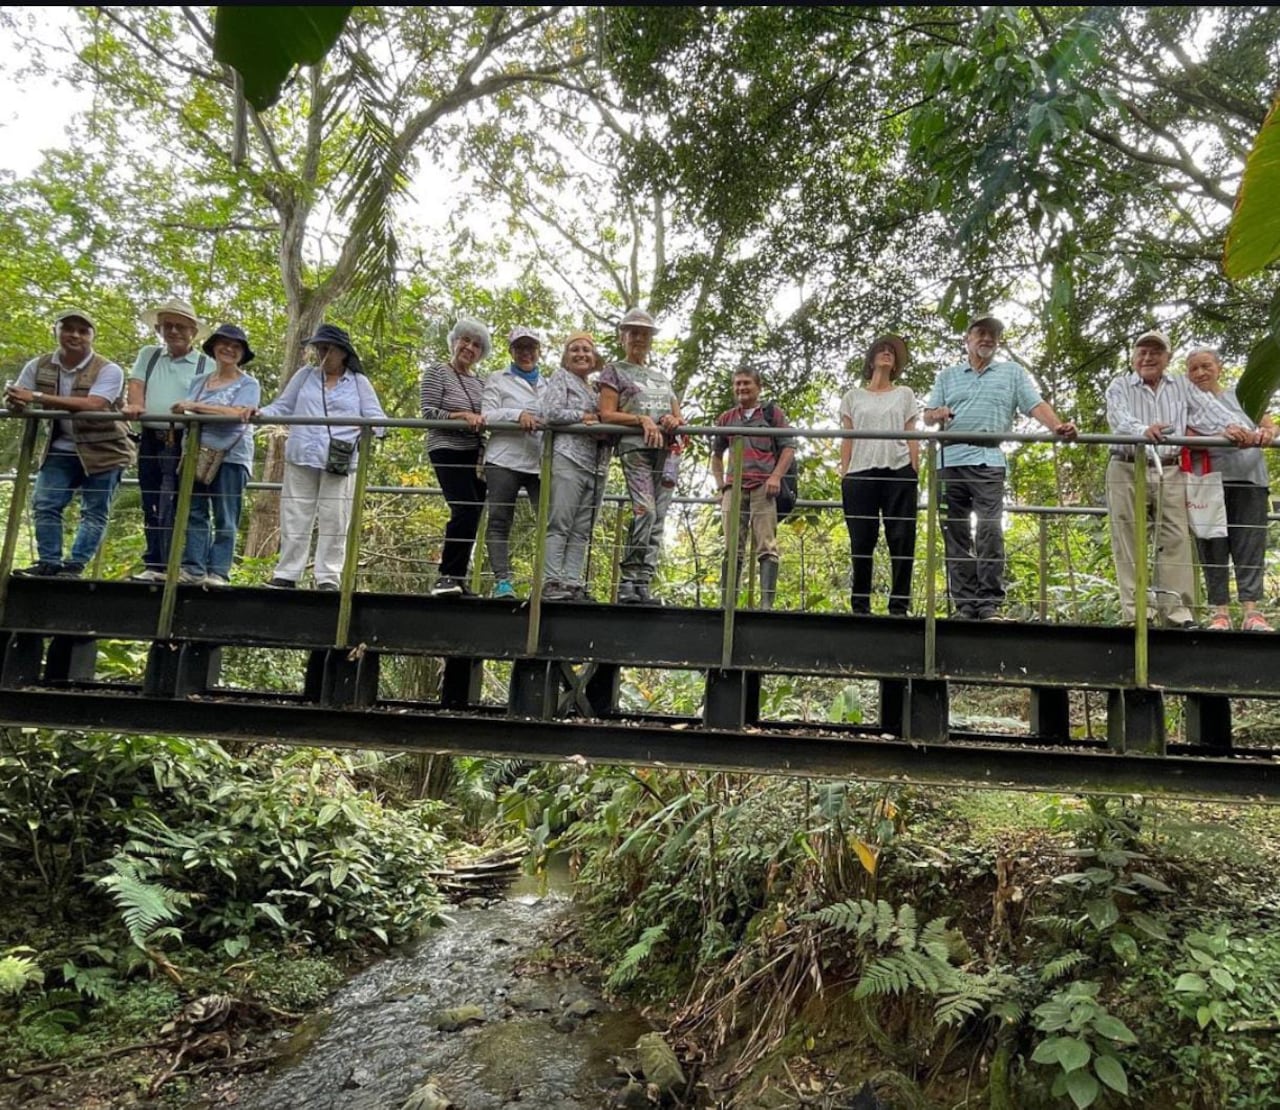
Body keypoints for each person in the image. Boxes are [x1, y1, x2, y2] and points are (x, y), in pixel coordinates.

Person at [922, 314, 1077, 620]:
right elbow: (926, 417)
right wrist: (937, 412)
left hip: (988, 461)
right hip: (948, 462)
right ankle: (964, 605)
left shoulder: (1011, 373)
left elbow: (1035, 404)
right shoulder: (948, 376)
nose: (987, 339)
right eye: (980, 333)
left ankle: (989, 603)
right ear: (967, 340)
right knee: (955, 533)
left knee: (990, 530)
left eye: (993, 334)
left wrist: (1058, 426)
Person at [1104, 330, 1251, 628]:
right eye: (1142, 352)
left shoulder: (1181, 386)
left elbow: (1208, 410)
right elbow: (1118, 418)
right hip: (1127, 465)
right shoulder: (1120, 385)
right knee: (1128, 538)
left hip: (1169, 467)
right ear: (1133, 357)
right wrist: (1143, 429)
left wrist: (1234, 427)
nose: (1148, 357)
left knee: (1175, 538)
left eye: (1155, 352)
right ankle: (1137, 614)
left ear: (1167, 358)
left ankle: (1177, 613)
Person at [247, 324, 385, 591]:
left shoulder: (358, 382)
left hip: (338, 459)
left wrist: (363, 426)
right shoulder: (304, 376)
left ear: (343, 353)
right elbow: (282, 406)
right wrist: (259, 413)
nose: (322, 353)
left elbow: (378, 420)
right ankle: (287, 574)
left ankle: (328, 578)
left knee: (335, 517)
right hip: (302, 454)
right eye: (319, 348)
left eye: (327, 348)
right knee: (295, 514)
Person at [4, 308, 134, 578]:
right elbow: (21, 397)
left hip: (106, 450)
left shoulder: (108, 369)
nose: (75, 335)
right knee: (45, 503)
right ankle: (49, 562)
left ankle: (74, 567)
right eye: (68, 328)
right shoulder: (39, 365)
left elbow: (95, 404)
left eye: (83, 331)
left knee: (95, 510)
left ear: (92, 337)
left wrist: (35, 396)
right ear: (57, 331)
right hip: (60, 448)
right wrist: (14, 401)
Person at [598, 308, 684, 604]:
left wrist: (673, 422)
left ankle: (643, 583)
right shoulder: (614, 371)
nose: (639, 338)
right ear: (623, 336)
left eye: (644, 333)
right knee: (644, 510)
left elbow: (677, 416)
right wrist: (641, 420)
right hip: (635, 447)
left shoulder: (660, 377)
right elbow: (606, 413)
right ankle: (628, 579)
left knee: (659, 517)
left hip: (667, 451)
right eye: (633, 332)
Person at [122, 297, 208, 582]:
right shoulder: (150, 355)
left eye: (180, 327)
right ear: (159, 329)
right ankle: (155, 563)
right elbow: (136, 385)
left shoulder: (205, 364)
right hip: (150, 436)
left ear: (193, 331)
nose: (173, 332)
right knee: (151, 499)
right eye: (167, 326)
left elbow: (208, 399)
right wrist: (134, 406)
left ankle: (184, 565)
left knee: (183, 501)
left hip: (185, 439)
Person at [169, 324, 260, 586]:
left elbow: (239, 413)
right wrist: (182, 411)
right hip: (196, 454)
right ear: (214, 347)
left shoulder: (248, 383)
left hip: (231, 456)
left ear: (242, 353)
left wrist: (196, 407)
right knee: (194, 511)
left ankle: (218, 572)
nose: (229, 349)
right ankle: (193, 569)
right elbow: (191, 412)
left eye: (236, 346)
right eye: (224, 343)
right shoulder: (199, 382)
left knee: (226, 514)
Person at [839, 335, 919, 616]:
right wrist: (845, 471)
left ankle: (899, 606)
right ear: (871, 359)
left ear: (896, 363)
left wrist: (914, 467)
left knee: (902, 537)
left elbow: (911, 432)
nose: (887, 354)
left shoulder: (904, 394)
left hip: (898, 469)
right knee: (862, 539)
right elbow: (847, 437)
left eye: (891, 353)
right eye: (881, 351)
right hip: (860, 472)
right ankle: (860, 606)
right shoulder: (853, 397)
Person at [709, 366, 796, 610]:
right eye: (737, 383)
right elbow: (716, 454)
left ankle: (766, 604)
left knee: (766, 544)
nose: (741, 388)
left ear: (758, 387)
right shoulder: (727, 418)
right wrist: (720, 486)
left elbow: (788, 447)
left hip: (763, 486)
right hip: (734, 487)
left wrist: (776, 477)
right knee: (731, 546)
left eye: (746, 383)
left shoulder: (771, 415)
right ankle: (728, 603)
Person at [421, 318, 490, 598]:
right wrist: (461, 416)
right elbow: (428, 412)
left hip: (476, 454)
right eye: (465, 340)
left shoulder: (481, 382)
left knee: (474, 513)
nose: (469, 348)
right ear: (454, 341)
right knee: (465, 508)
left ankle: (458, 578)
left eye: (476, 345)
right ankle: (446, 575)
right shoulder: (437, 371)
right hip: (446, 448)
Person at [540, 332, 609, 601]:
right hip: (568, 458)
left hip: (596, 465)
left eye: (587, 351)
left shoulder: (597, 390)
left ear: (594, 360)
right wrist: (584, 417)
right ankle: (551, 581)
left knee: (582, 529)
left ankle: (572, 582)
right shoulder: (561, 378)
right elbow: (551, 413)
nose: (581, 354)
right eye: (575, 350)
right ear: (566, 358)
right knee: (560, 522)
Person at [481, 327, 548, 599]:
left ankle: (548, 581)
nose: (525, 353)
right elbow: (487, 415)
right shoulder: (497, 379)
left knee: (548, 519)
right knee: (499, 520)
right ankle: (502, 582)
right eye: (519, 348)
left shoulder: (549, 384)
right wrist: (517, 414)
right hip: (503, 459)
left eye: (530, 348)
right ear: (511, 351)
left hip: (539, 460)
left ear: (538, 351)